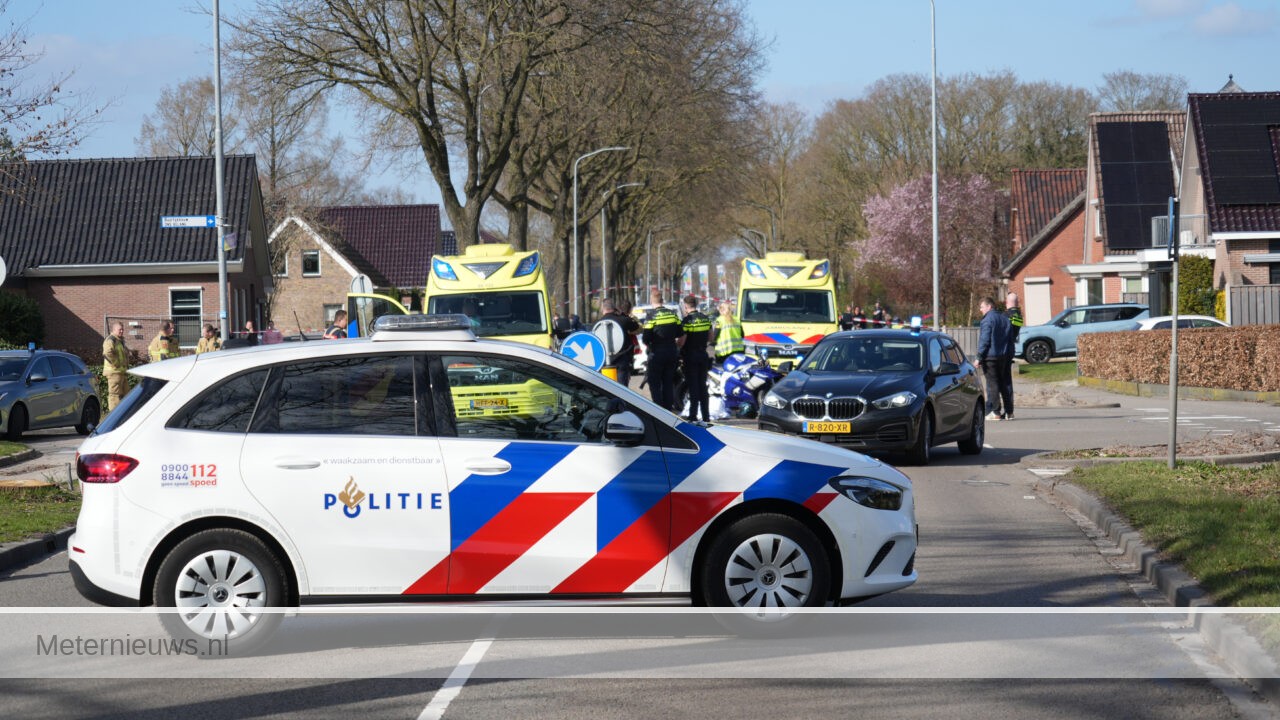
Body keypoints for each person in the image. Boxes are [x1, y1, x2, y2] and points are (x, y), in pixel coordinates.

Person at [641, 288, 683, 411]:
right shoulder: (672, 314)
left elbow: (645, 338)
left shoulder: (651, 316)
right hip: (671, 352)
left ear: (651, 300)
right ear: (662, 300)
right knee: (668, 382)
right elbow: (680, 332)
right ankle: (668, 409)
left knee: (654, 383)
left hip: (657, 353)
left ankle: (658, 410)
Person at [976, 296, 1013, 421]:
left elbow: (985, 340)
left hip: (991, 357)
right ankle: (1009, 412)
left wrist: (978, 357)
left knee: (992, 384)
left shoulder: (987, 320)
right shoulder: (1005, 318)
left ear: (989, 306)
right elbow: (1011, 338)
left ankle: (995, 412)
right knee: (1004, 383)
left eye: (982, 307)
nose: (980, 310)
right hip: (1004, 355)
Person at [679, 295, 713, 422]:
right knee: (703, 386)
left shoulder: (687, 320)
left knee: (693, 386)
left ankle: (693, 415)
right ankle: (706, 416)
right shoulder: (705, 319)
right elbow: (711, 338)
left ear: (686, 306)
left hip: (690, 356)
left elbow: (682, 341)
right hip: (703, 355)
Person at [596, 298, 640, 386]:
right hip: (622, 360)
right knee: (622, 389)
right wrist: (624, 315)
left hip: (605, 362)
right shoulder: (623, 320)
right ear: (615, 308)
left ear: (602, 309)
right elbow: (636, 326)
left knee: (607, 388)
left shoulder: (597, 324)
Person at [1002, 292, 1024, 419]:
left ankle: (1005, 409)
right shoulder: (1018, 315)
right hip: (1010, 349)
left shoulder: (1008, 315)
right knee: (1007, 381)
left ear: (1007, 302)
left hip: (1004, 349)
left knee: (1003, 381)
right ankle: (1009, 411)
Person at [102, 321, 130, 412]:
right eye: (120, 329)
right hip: (114, 373)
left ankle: (123, 413)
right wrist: (116, 363)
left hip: (121, 373)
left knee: (127, 394)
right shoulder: (110, 340)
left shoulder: (119, 340)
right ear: (114, 330)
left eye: (122, 329)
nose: (121, 331)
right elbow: (107, 353)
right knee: (114, 396)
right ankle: (114, 416)